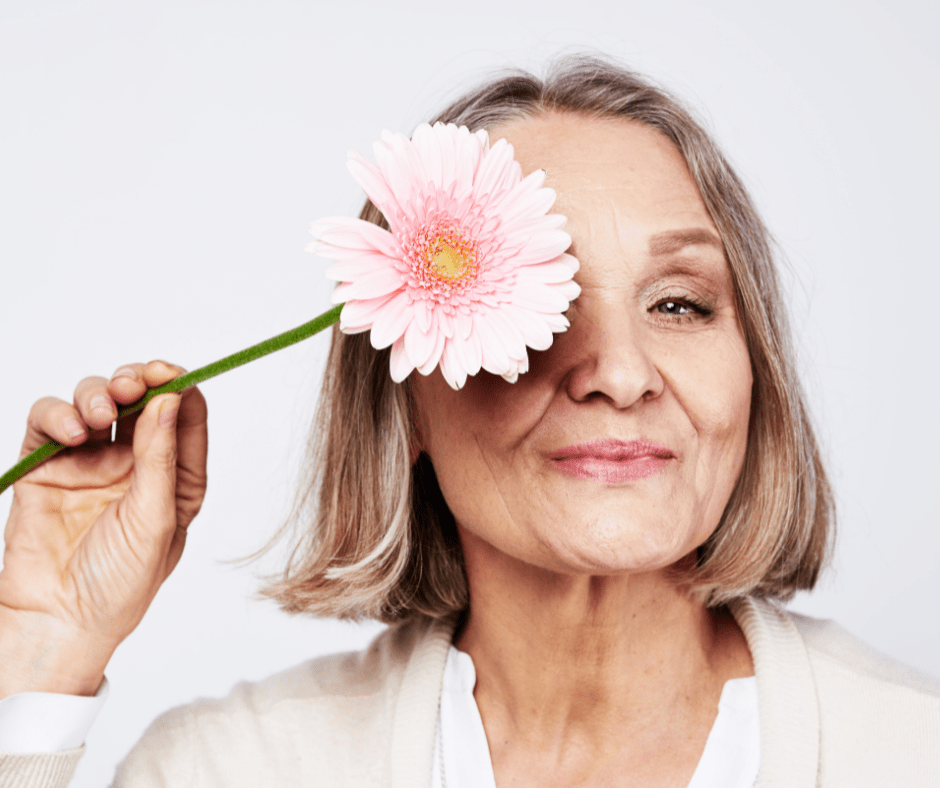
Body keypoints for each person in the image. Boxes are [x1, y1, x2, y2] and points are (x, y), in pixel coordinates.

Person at [1, 54, 938, 788]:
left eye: (679, 304)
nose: (619, 373)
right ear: (404, 401)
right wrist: (41, 659)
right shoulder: (227, 771)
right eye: (543, 311)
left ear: (755, 375)